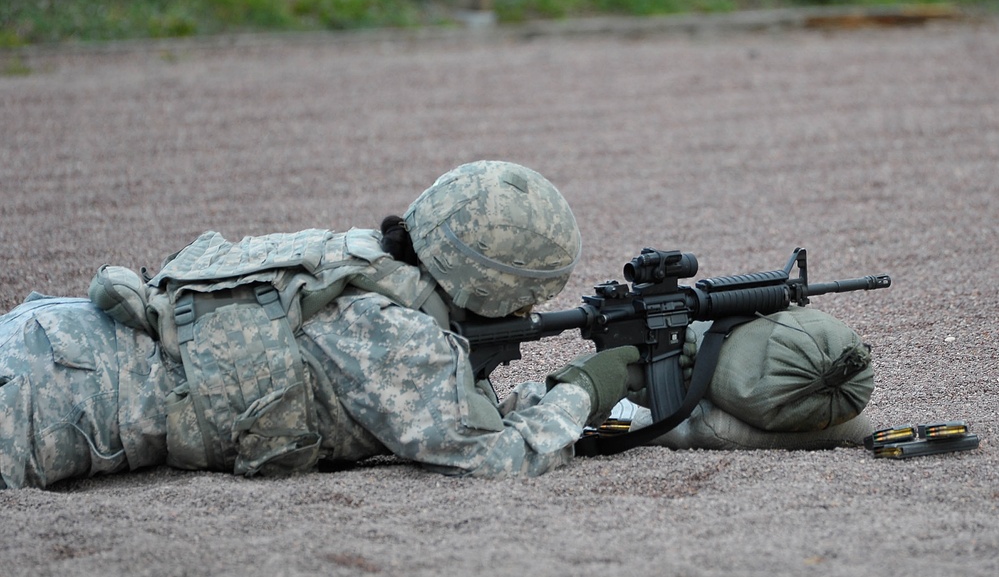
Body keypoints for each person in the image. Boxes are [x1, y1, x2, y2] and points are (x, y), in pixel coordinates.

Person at [0, 160, 645, 489]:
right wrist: (588, 384)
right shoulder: (396, 334)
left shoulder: (358, 260)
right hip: (53, 401)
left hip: (50, 338)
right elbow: (495, 457)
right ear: (497, 287)